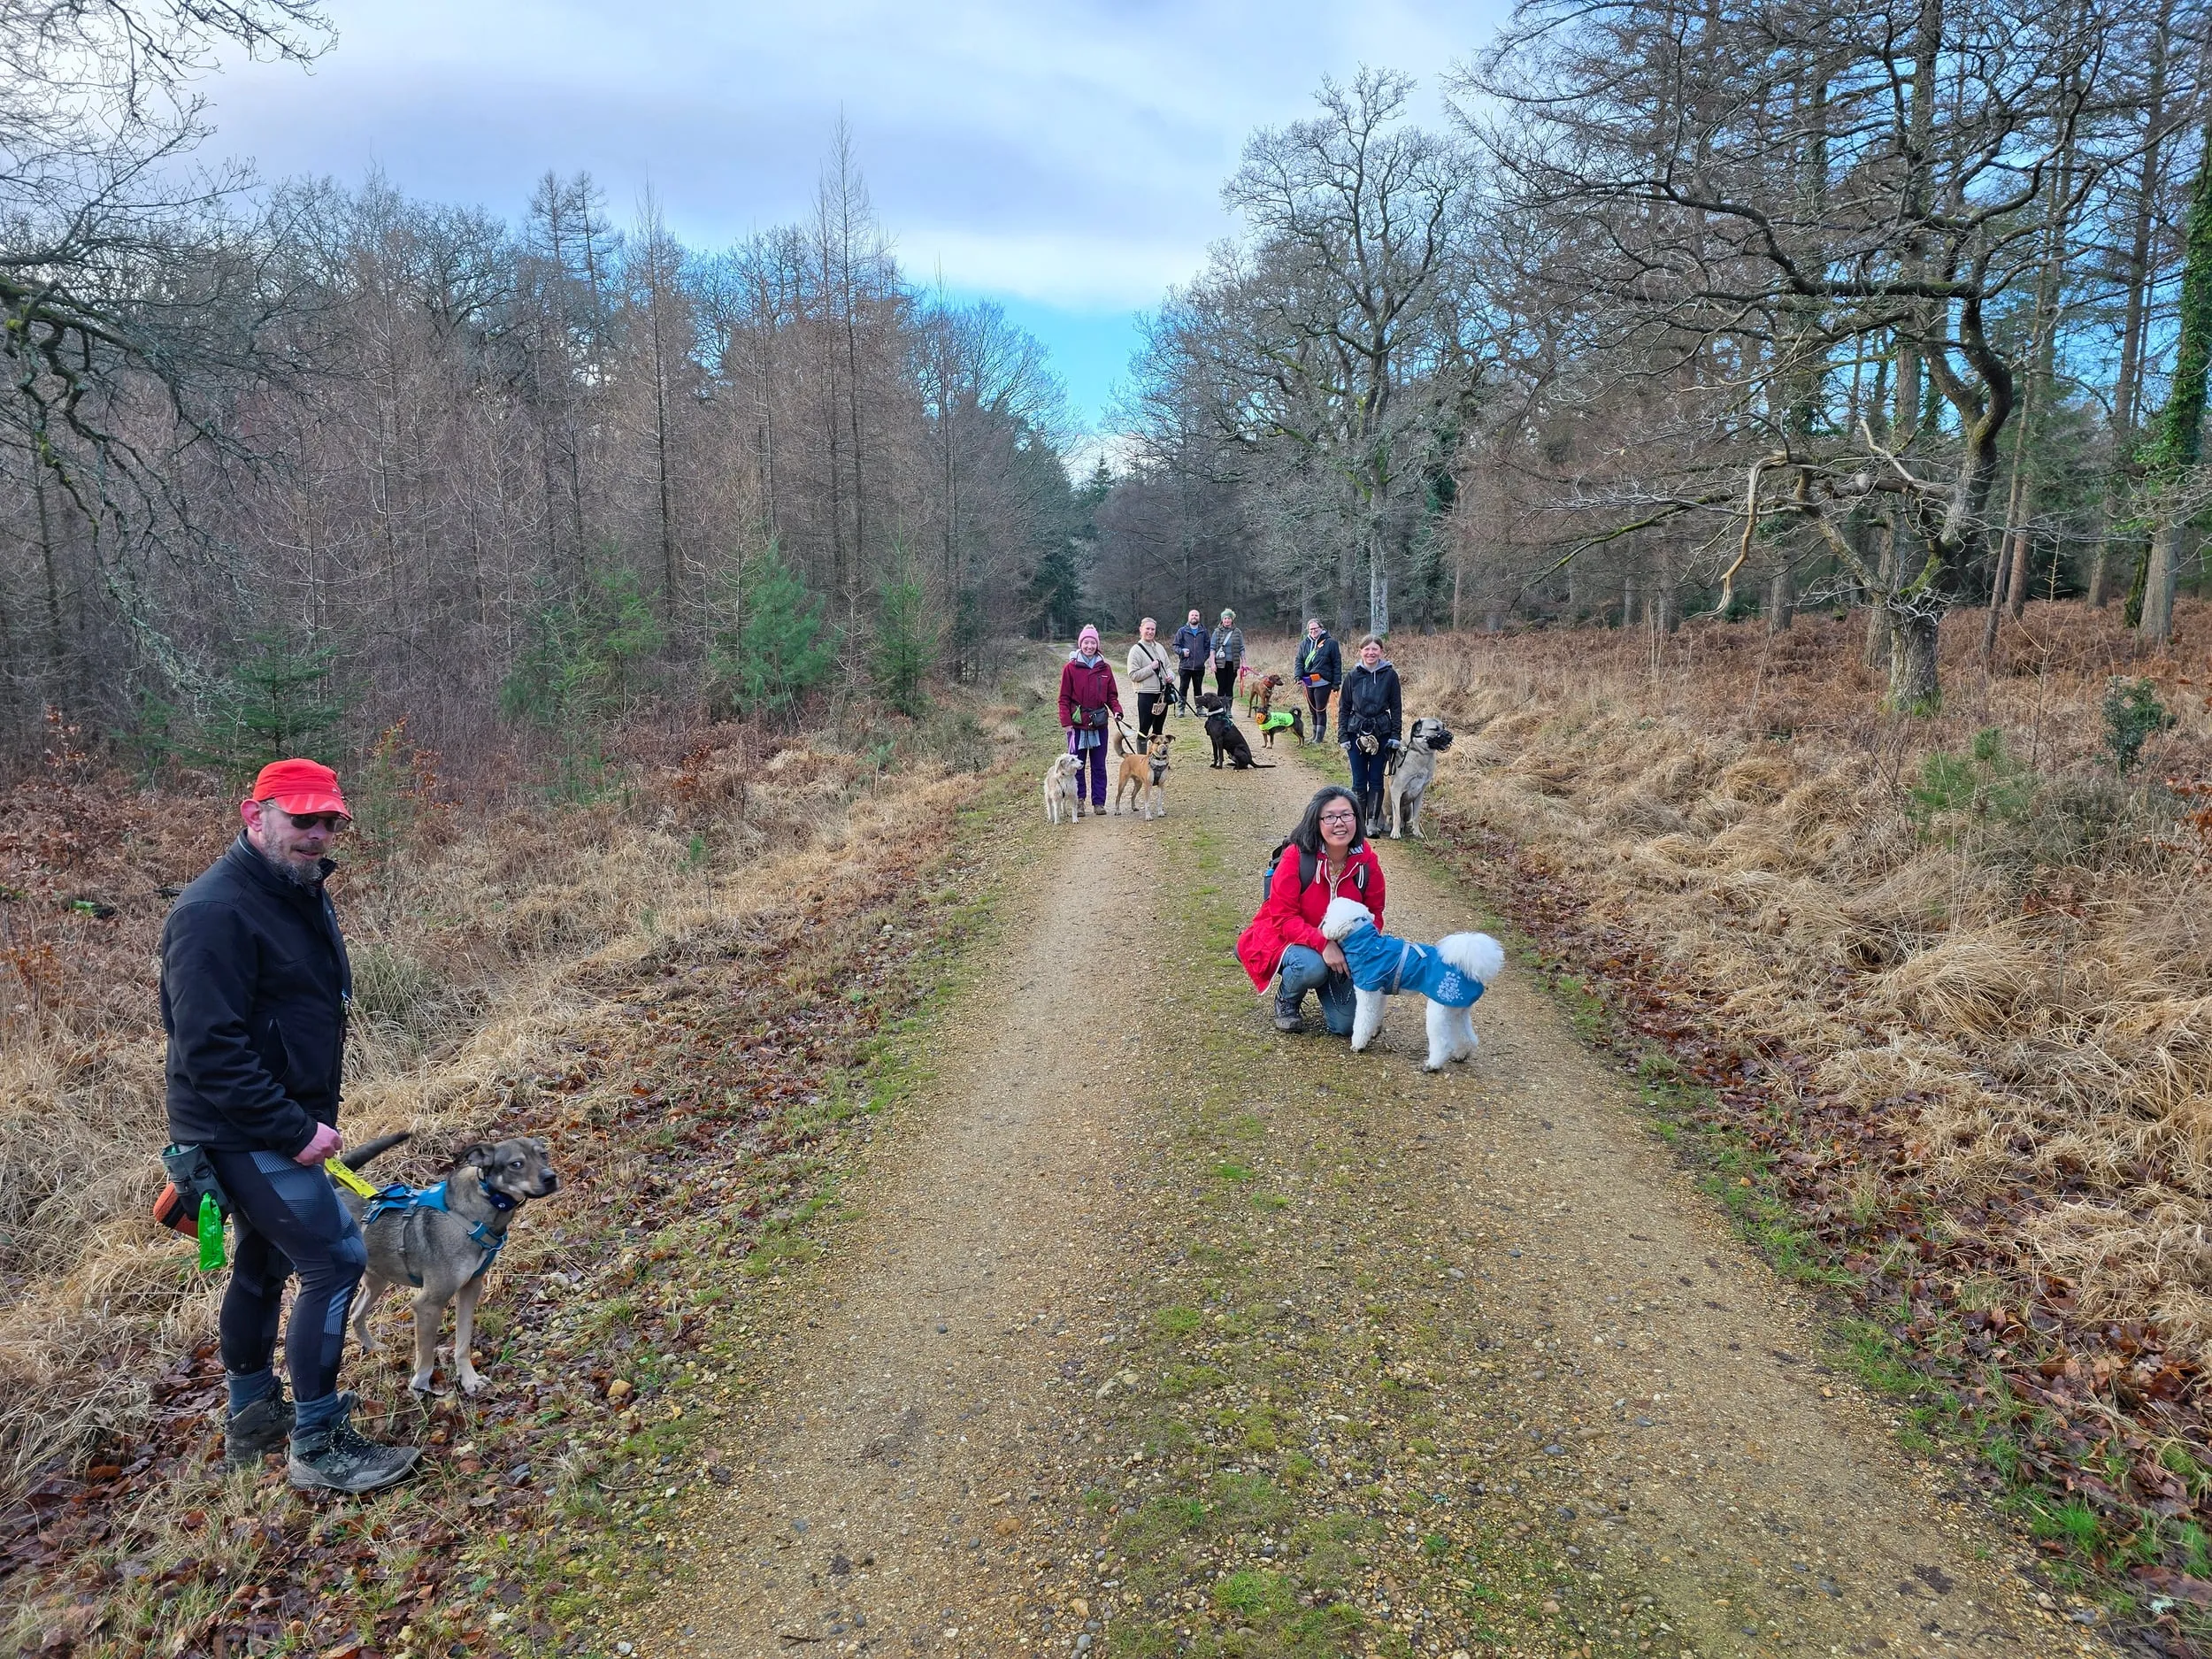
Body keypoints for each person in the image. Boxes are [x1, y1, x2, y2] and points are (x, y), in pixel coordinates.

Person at [160, 758, 420, 1493]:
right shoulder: (214, 911)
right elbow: (208, 1047)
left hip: (276, 1119)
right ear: (254, 815)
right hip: (241, 1128)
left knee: (266, 1260)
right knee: (336, 1258)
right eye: (301, 819)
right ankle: (319, 1439)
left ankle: (253, 1417)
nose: (317, 834)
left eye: (328, 820)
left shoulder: (296, 887)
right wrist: (291, 1127)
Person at [1235, 786, 1386, 1035]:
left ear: (1357, 820)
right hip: (1286, 938)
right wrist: (1324, 944)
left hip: (1341, 948)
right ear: (1316, 821)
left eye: (1346, 815)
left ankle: (1327, 979)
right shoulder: (1298, 856)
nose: (1339, 823)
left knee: (1346, 1026)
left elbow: (1374, 914)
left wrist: (1357, 947)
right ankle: (1288, 999)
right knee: (1312, 967)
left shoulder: (1367, 862)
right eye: (1330, 817)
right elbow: (1283, 917)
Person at [1340, 635, 1402, 833]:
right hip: (1355, 732)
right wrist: (1342, 735)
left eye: (1375, 649)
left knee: (1376, 778)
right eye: (1367, 649)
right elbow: (1344, 707)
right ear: (1360, 652)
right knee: (1359, 779)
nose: (1371, 653)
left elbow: (1396, 707)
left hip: (1382, 731)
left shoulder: (1390, 676)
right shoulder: (1352, 676)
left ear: (1381, 652)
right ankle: (1358, 823)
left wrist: (1395, 735)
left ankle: (1372, 822)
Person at [1057, 626, 1123, 814]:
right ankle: (1079, 801)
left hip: (1099, 723)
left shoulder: (1105, 668)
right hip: (1077, 726)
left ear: (1097, 644)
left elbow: (1112, 696)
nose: (1089, 646)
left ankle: (1099, 802)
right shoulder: (1070, 668)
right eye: (1086, 642)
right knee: (1076, 767)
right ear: (1080, 644)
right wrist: (1066, 722)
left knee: (1099, 765)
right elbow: (1063, 698)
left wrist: (1117, 711)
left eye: (1093, 642)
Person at [1294, 618, 1342, 745]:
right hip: (1308, 682)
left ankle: (1319, 738)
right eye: (1311, 629)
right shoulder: (1304, 643)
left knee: (1320, 709)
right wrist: (1298, 676)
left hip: (1323, 681)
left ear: (1321, 628)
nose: (1313, 631)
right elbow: (1299, 661)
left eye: (1316, 628)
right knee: (1312, 710)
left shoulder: (1331, 643)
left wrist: (1336, 682)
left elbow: (1337, 663)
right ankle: (1314, 735)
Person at [1126, 618, 1175, 738]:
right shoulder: (1135, 650)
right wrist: (1151, 668)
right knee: (1144, 730)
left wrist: (1171, 675)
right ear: (1141, 629)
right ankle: (1142, 756)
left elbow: (1168, 666)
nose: (1150, 632)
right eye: (1147, 628)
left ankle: (1156, 756)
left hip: (1162, 695)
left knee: (1158, 730)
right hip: (1146, 694)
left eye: (1152, 629)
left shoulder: (1160, 647)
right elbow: (1133, 675)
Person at [1171, 609, 1210, 712]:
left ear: (1199, 617)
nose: (1194, 617)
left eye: (1196, 615)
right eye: (1192, 615)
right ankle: (1181, 709)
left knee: (1198, 689)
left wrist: (1203, 659)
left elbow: (1208, 647)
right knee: (1183, 687)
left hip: (1199, 667)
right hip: (1185, 666)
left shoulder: (1204, 631)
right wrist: (1182, 652)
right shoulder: (1182, 631)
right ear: (1189, 617)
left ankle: (1199, 708)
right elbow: (1175, 646)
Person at [1209, 609, 1245, 700]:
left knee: (1230, 686)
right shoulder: (1217, 632)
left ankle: (1228, 710)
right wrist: (1212, 663)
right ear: (1222, 620)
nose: (1227, 620)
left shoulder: (1237, 632)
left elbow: (1241, 648)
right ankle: (1221, 709)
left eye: (1229, 618)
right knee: (1221, 686)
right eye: (1225, 618)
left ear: (1232, 619)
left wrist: (1244, 662)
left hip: (1233, 664)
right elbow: (1212, 648)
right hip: (1220, 664)